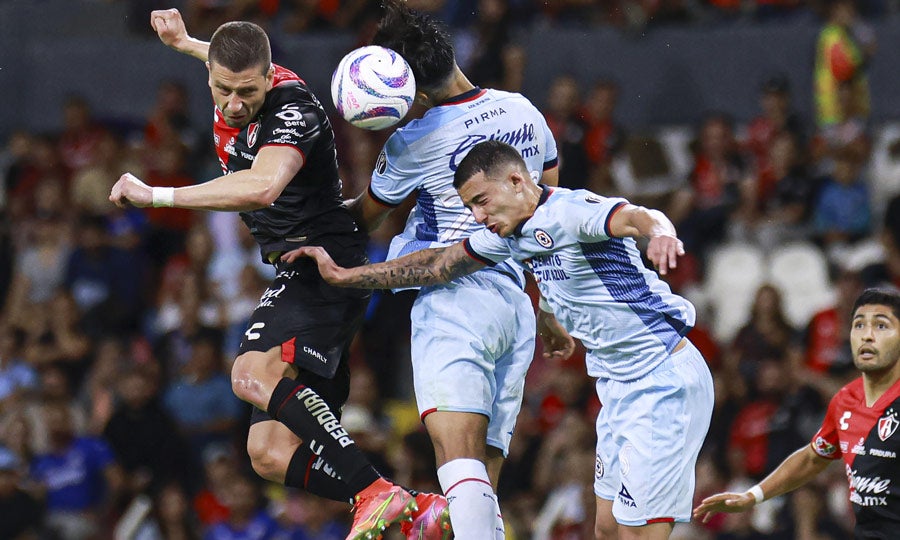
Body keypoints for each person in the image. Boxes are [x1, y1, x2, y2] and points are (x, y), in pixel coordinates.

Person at [286, 140, 715, 540]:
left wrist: (661, 233)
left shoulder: (571, 211)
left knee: (639, 533)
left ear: (516, 181)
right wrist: (344, 276)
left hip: (662, 382)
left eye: (481, 201)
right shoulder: (510, 233)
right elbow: (438, 265)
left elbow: (636, 215)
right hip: (617, 389)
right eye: (470, 206)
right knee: (605, 527)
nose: (477, 216)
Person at [109, 9, 418, 539]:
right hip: (296, 263)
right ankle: (408, 505)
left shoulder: (293, 108)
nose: (233, 103)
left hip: (320, 261)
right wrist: (184, 42)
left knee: (249, 374)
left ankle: (376, 494)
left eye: (246, 92)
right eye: (222, 89)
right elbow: (224, 58)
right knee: (269, 455)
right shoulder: (231, 73)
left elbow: (263, 187)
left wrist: (157, 194)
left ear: (270, 76)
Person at [345, 3, 574, 538]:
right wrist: (549, 306)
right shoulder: (524, 112)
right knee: (480, 480)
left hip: (454, 297)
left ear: (414, 94)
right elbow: (551, 213)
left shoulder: (415, 138)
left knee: (456, 460)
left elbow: (362, 217)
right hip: (515, 307)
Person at [694, 287, 900, 539]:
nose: (867, 336)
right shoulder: (846, 400)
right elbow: (811, 458)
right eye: (859, 326)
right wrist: (753, 495)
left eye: (880, 326)